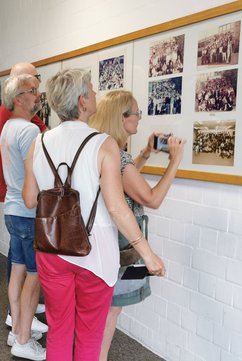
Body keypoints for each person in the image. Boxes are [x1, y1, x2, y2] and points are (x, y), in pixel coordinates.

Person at [22, 68, 166, 360]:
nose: (96, 93)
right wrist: (147, 254)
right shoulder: (103, 143)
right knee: (89, 334)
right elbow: (116, 207)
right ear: (82, 101)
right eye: (92, 88)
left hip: (50, 246)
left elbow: (28, 199)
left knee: (59, 328)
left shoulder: (39, 142)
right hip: (94, 251)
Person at [89, 90, 184, 361]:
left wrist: (144, 154)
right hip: (122, 245)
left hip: (99, 241)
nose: (140, 119)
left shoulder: (100, 149)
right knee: (112, 308)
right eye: (136, 113)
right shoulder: (119, 157)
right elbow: (152, 199)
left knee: (100, 307)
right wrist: (175, 161)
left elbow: (122, 181)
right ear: (122, 118)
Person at [0, 62, 48, 331]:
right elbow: (36, 174)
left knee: (17, 270)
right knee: (33, 275)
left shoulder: (9, 127)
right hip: (28, 212)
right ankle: (23, 335)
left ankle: (16, 327)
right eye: (32, 90)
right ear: (18, 98)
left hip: (13, 212)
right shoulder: (29, 130)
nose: (37, 95)